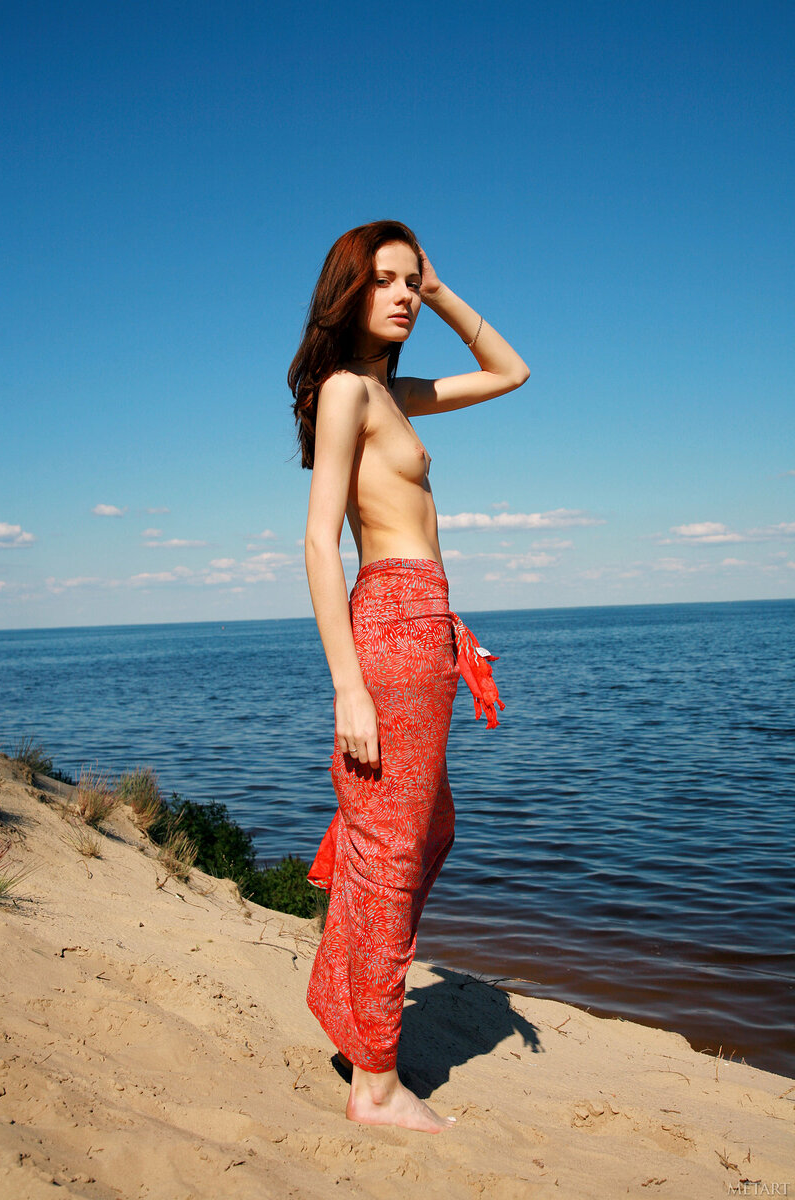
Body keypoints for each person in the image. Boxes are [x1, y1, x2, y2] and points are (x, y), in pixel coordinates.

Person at [288, 220, 529, 1133]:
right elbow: (319, 542)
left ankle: (348, 999)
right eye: (383, 280)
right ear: (346, 293)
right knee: (392, 845)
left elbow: (510, 371)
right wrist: (347, 685)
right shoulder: (347, 391)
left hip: (427, 626)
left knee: (423, 827)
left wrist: (441, 289)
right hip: (391, 625)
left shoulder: (394, 393)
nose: (400, 297)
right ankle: (376, 1081)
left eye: (408, 282)